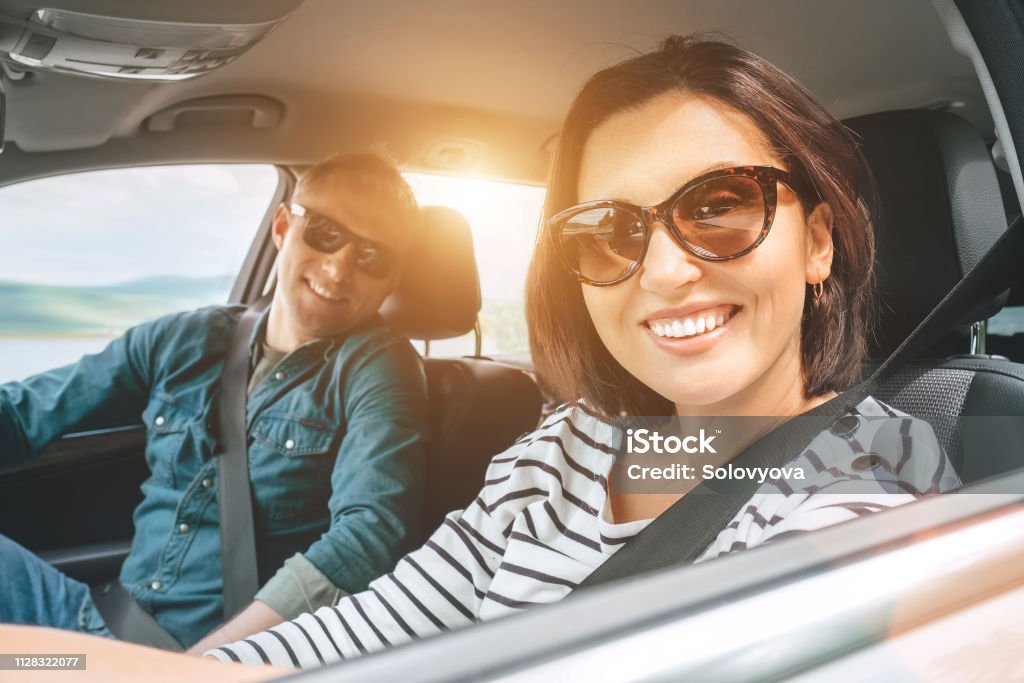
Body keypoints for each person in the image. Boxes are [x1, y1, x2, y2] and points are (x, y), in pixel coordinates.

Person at [0, 34, 959, 678]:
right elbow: (383, 617)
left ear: (820, 240)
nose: (664, 269)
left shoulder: (864, 493)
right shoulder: (574, 449)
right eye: (609, 228)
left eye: (720, 205)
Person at [0, 153, 430, 652]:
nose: (338, 269)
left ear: (392, 279)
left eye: (372, 256)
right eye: (326, 234)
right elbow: (23, 412)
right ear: (284, 226)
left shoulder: (378, 370)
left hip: (213, 658)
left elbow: (371, 532)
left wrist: (206, 666)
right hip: (94, 625)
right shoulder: (185, 339)